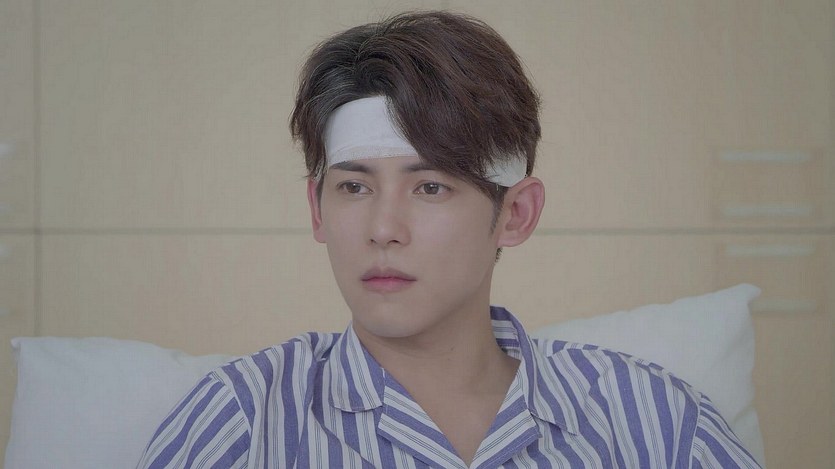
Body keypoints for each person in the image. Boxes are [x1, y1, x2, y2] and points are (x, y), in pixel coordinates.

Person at [137, 11, 760, 468]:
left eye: (430, 187)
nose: (383, 229)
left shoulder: (651, 420)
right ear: (317, 211)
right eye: (353, 187)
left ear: (515, 214)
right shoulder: (243, 422)